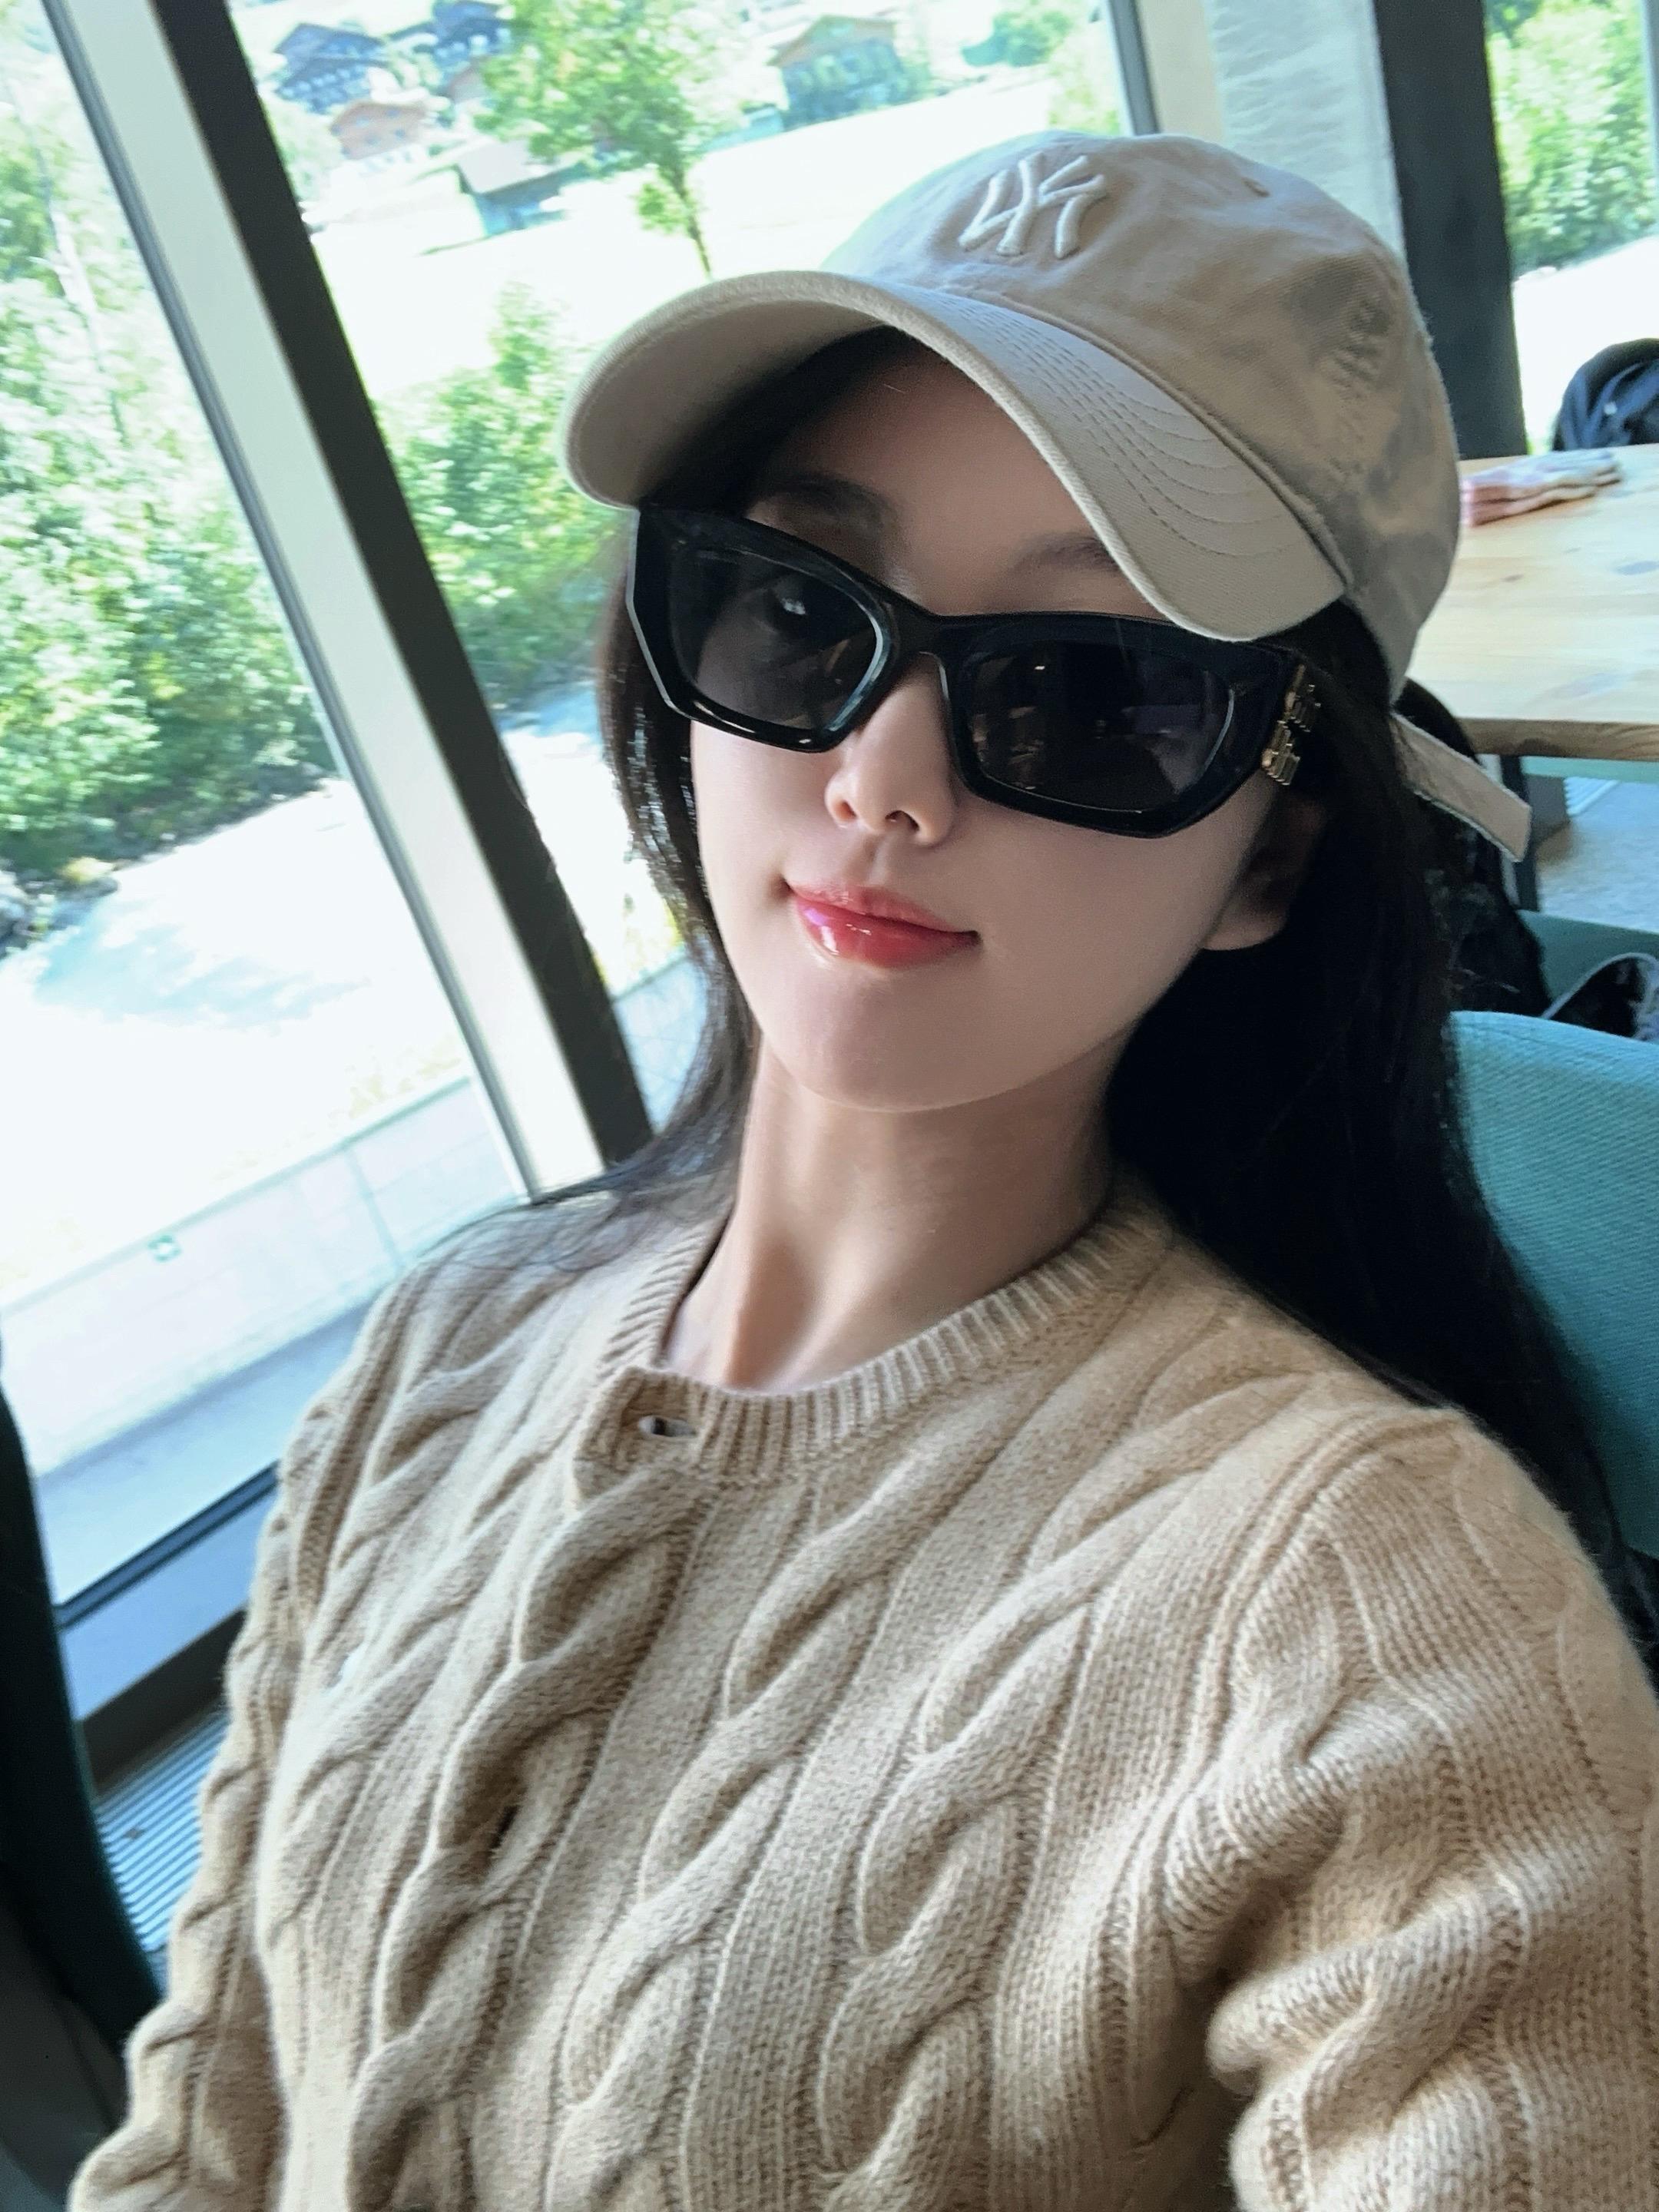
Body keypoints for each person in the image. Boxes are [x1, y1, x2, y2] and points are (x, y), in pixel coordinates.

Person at [71, 132, 1659, 2212]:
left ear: (1272, 852)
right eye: (799, 614)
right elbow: (203, 2125)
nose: (881, 778)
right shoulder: (440, 1344)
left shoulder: (1376, 1615)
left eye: (1092, 693)